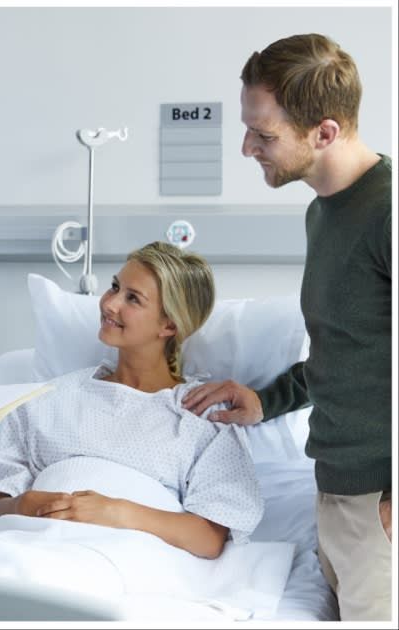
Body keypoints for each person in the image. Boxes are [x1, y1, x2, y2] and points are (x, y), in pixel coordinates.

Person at [181, 33, 391, 621]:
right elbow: (347, 349)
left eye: (265, 134)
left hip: (381, 504)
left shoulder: (388, 212)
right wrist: (266, 401)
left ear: (325, 132)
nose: (247, 147)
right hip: (337, 493)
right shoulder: (322, 212)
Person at [0, 242, 262, 560]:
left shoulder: (202, 415)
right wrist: (22, 505)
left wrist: (116, 513)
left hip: (125, 560)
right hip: (30, 548)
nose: (110, 304)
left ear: (169, 325)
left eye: (132, 298)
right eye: (115, 287)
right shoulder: (48, 400)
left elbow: (209, 538)